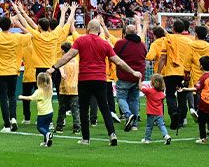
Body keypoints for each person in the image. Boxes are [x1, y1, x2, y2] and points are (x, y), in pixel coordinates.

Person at [48, 17, 142, 146]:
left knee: (84, 110)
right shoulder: (105, 43)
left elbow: (68, 56)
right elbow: (118, 61)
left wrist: (54, 67)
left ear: (87, 29)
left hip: (85, 79)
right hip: (100, 80)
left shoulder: (81, 40)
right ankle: (112, 134)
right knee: (104, 108)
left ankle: (86, 139)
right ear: (99, 31)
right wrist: (133, 72)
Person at [0, 8, 32, 131]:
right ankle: (13, 118)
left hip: (1, 72)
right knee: (12, 96)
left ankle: (7, 124)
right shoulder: (17, 37)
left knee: (3, 97)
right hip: (13, 71)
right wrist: (19, 24)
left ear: (0, 26)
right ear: (11, 26)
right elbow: (31, 34)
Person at [113, 16, 148, 132]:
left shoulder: (121, 43)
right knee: (134, 99)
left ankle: (128, 115)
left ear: (125, 33)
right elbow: (144, 56)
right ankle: (135, 124)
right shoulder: (142, 44)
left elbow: (114, 57)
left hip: (125, 75)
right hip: (138, 77)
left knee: (121, 97)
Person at [18, 71, 55, 147]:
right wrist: (50, 77)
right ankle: (46, 141)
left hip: (42, 113)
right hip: (50, 112)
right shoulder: (49, 90)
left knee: (40, 127)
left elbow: (30, 98)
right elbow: (50, 84)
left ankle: (47, 134)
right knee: (46, 127)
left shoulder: (39, 91)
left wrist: (21, 97)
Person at [54, 41, 80, 135]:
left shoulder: (63, 60)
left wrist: (62, 73)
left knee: (62, 109)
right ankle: (77, 127)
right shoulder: (76, 61)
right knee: (75, 109)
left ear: (63, 50)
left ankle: (59, 127)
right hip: (74, 88)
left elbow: (60, 68)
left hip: (64, 88)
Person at [139, 74, 170, 145]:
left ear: (152, 82)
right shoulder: (162, 94)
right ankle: (166, 135)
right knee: (161, 125)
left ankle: (147, 139)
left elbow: (140, 88)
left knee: (149, 126)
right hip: (159, 113)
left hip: (151, 113)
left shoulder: (149, 91)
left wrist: (139, 79)